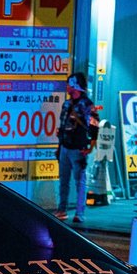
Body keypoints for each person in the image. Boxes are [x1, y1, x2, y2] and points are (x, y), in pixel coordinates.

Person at [55, 72, 99, 224]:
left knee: (79, 181)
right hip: (65, 146)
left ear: (76, 86)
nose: (67, 87)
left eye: (69, 84)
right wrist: (59, 145)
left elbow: (95, 126)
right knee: (64, 180)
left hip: (79, 148)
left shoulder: (87, 105)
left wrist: (90, 147)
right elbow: (62, 124)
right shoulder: (67, 104)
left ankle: (79, 213)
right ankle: (62, 209)